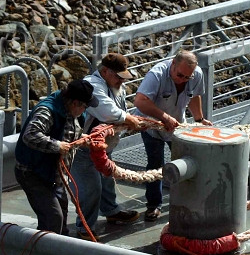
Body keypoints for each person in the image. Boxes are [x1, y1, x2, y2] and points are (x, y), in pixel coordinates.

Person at [133, 50, 212, 221]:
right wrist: (164, 117)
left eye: (187, 78)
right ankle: (154, 205)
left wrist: (199, 119)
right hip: (152, 126)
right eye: (179, 75)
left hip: (177, 127)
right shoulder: (157, 75)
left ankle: (187, 202)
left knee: (187, 162)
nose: (182, 79)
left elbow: (194, 96)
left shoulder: (196, 75)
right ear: (172, 64)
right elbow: (139, 101)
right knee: (155, 164)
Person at [70, 52, 142, 239]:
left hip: (103, 146)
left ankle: (111, 210)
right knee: (91, 188)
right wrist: (129, 119)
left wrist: (128, 121)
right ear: (104, 72)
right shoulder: (92, 86)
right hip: (84, 146)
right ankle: (84, 227)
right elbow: (108, 112)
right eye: (118, 77)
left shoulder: (117, 87)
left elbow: (121, 111)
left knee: (106, 179)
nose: (121, 81)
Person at [14, 79, 98, 234]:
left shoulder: (72, 111)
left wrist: (84, 139)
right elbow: (30, 135)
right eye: (85, 106)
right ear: (75, 103)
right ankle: (43, 253)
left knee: (62, 217)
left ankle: (58, 248)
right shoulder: (47, 111)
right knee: (53, 218)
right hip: (33, 173)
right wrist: (57, 146)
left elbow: (69, 133)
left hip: (54, 176)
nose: (85, 110)